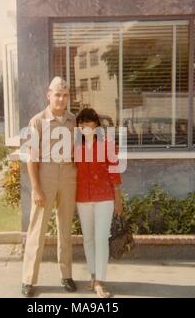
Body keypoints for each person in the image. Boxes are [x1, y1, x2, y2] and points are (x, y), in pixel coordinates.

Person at [21, 77, 77, 297]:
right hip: (46, 175)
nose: (61, 99)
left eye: (65, 95)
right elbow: (30, 158)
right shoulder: (37, 121)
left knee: (65, 228)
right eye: (57, 94)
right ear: (49, 95)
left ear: (68, 97)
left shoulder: (74, 121)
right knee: (37, 228)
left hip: (69, 176)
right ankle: (28, 279)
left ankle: (66, 274)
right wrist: (35, 188)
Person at [75, 108, 122, 298]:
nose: (84, 126)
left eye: (88, 122)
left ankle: (101, 281)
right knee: (88, 239)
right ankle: (93, 276)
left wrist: (119, 201)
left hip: (104, 198)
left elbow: (115, 176)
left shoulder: (108, 145)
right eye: (81, 123)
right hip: (82, 199)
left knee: (101, 239)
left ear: (96, 125)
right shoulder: (75, 148)